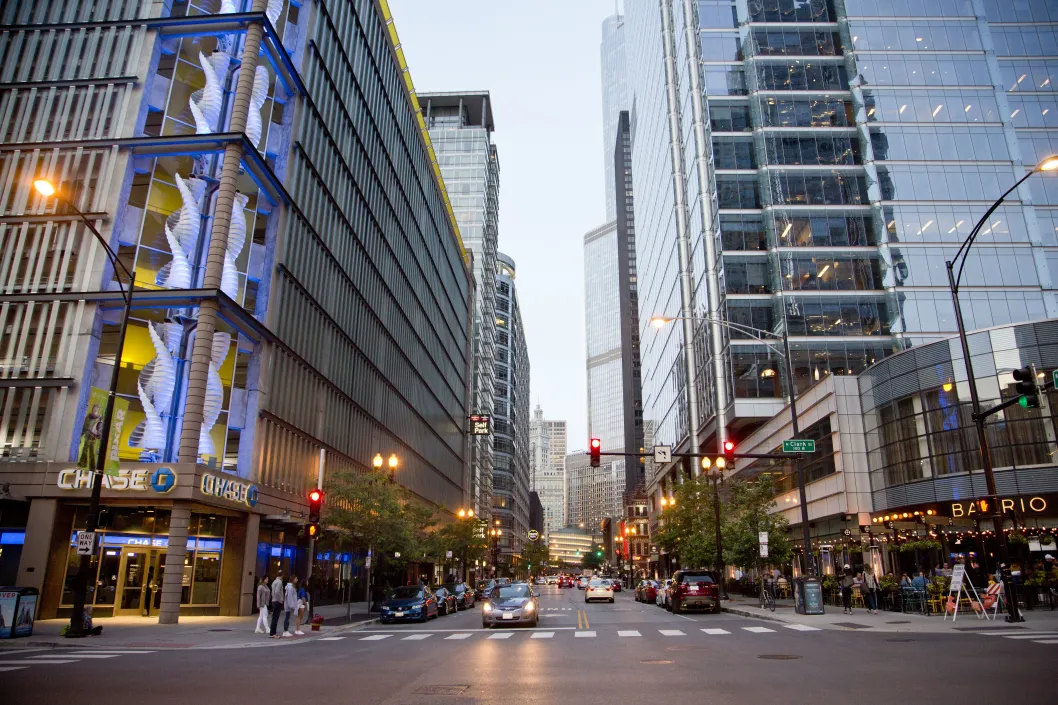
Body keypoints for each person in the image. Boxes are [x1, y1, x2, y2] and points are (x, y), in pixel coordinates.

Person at [269, 570, 284, 639]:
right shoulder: (280, 582)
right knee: (275, 618)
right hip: (277, 601)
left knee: (274, 617)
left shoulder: (274, 581)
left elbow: (273, 592)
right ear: (282, 575)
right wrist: (280, 600)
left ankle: (272, 633)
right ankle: (273, 633)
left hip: (273, 600)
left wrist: (273, 598)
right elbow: (277, 591)